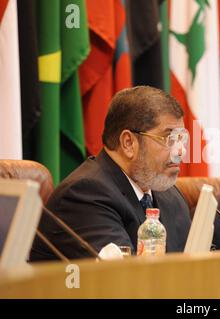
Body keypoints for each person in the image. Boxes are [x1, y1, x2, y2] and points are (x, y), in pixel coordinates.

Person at [30, 86, 191, 261]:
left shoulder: (170, 195)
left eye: (181, 139)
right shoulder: (86, 194)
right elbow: (124, 279)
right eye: (169, 139)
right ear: (128, 143)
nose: (180, 151)